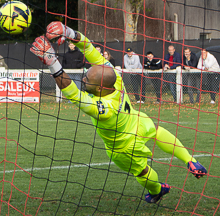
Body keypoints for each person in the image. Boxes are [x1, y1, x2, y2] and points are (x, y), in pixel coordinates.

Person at [30, 22, 207, 204]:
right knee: (156, 130)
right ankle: (190, 160)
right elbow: (89, 48)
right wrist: (69, 32)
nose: (84, 78)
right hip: (137, 121)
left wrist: (51, 61)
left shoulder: (104, 109)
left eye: (87, 78)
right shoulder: (114, 77)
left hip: (124, 146)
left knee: (142, 171)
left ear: (99, 87)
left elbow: (72, 93)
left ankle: (157, 190)